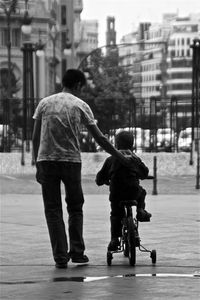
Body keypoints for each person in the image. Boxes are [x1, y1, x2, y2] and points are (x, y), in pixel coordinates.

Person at [32, 69, 129, 269]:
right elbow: (100, 138)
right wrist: (119, 155)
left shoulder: (44, 103)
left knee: (52, 209)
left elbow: (35, 137)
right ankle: (77, 252)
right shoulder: (80, 105)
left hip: (46, 161)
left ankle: (60, 257)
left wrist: (37, 162)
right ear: (77, 85)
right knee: (75, 207)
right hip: (71, 162)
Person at [95, 130, 152, 251]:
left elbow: (99, 179)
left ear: (116, 145)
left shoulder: (110, 160)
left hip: (117, 194)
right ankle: (141, 210)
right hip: (133, 192)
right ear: (132, 145)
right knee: (142, 192)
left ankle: (115, 239)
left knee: (115, 214)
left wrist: (102, 181)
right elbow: (144, 173)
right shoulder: (135, 159)